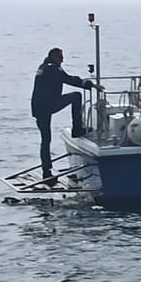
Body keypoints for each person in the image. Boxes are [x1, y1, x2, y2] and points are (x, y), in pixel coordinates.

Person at [31, 48, 103, 183]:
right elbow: (69, 79)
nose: (62, 60)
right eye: (60, 57)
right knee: (76, 96)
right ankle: (77, 128)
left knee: (45, 140)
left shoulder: (43, 67)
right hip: (48, 105)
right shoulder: (53, 68)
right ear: (54, 57)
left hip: (39, 107)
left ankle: (46, 172)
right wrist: (90, 85)